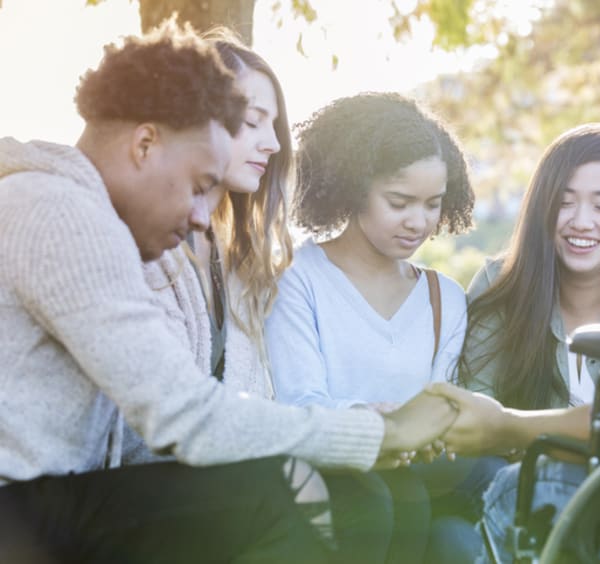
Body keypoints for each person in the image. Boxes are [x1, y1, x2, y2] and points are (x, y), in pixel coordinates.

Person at [0, 22, 457, 563]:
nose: (200, 214)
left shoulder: (85, 212)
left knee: (338, 495)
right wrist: (382, 433)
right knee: (277, 495)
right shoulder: (59, 212)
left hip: (59, 500)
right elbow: (182, 416)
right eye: (198, 188)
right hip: (23, 511)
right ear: (145, 144)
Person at [126, 31, 398, 563]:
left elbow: (260, 403)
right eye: (252, 123)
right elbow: (167, 419)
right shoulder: (145, 249)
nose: (272, 143)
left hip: (221, 471)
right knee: (293, 495)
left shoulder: (242, 265)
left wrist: (357, 418)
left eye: (272, 126)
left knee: (366, 495)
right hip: (145, 482)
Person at [265, 92, 493, 562]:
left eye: (432, 204)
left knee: (481, 475)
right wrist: (379, 424)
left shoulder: (443, 298)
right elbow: (299, 400)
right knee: (389, 498)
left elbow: (439, 406)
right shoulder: (298, 279)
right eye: (399, 201)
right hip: (332, 466)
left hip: (416, 467)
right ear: (352, 187)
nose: (418, 222)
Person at [435, 123, 600, 562]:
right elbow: (479, 420)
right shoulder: (499, 287)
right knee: (447, 536)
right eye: (565, 202)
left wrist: (519, 428)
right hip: (526, 502)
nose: (581, 221)